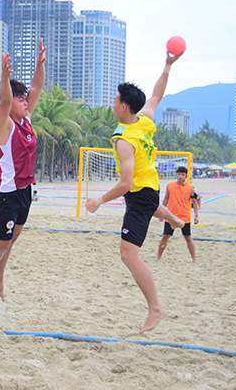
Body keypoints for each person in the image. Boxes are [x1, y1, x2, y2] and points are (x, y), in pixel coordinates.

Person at [85, 49, 185, 333]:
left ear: (124, 107)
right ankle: (175, 220)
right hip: (151, 187)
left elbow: (126, 184)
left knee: (128, 254)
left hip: (140, 193)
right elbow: (157, 94)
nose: (113, 103)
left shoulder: (124, 140)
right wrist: (167, 64)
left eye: (116, 100)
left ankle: (156, 308)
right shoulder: (145, 120)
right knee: (150, 207)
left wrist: (99, 201)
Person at [0, 38, 46, 328]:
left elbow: (37, 87)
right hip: (4, 195)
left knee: (10, 242)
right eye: (20, 98)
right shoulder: (4, 123)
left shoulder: (26, 119)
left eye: (24, 97)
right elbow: (5, 99)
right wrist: (5, 77)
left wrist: (40, 64)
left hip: (25, 192)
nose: (25, 100)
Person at [157, 167, 199, 264]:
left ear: (185, 176)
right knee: (165, 237)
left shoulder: (190, 188)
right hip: (171, 216)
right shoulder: (170, 186)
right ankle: (158, 257)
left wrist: (196, 215)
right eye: (179, 174)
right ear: (176, 174)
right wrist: (161, 213)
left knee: (188, 238)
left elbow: (194, 202)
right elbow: (165, 199)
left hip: (184, 217)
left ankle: (194, 260)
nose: (180, 176)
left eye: (183, 174)